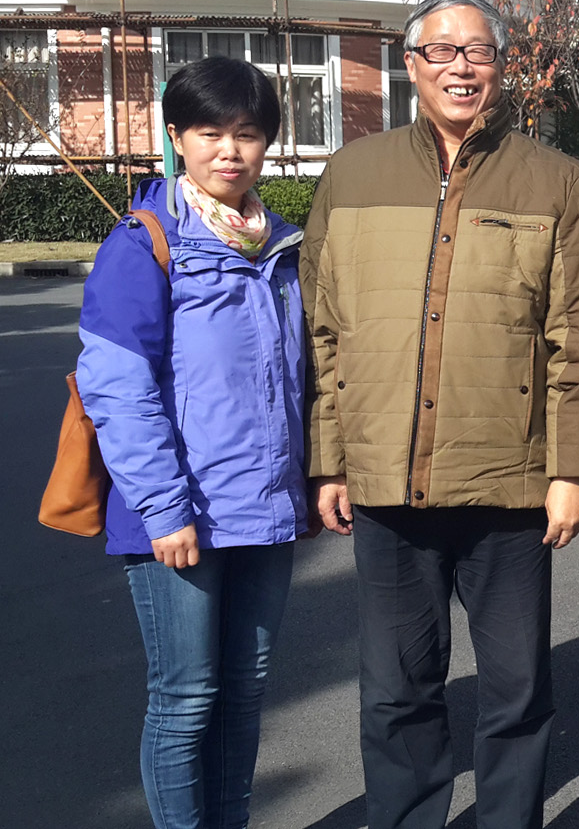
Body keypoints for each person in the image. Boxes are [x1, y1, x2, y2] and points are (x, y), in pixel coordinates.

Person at [300, 0, 579, 829]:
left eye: (477, 50)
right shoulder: (352, 176)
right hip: (385, 483)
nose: (460, 67)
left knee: (515, 691)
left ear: (502, 66)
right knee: (396, 690)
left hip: (509, 486)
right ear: (410, 64)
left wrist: (572, 470)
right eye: (441, 50)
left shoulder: (558, 182)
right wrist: (330, 459)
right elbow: (325, 332)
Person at [77, 56, 308, 829]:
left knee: (243, 693)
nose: (229, 150)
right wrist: (164, 508)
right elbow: (118, 387)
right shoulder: (144, 244)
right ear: (177, 138)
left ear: (267, 143)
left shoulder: (278, 246)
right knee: (185, 699)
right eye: (209, 132)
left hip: (264, 512)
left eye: (247, 133)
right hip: (179, 516)